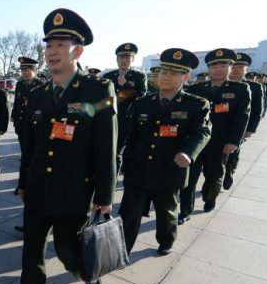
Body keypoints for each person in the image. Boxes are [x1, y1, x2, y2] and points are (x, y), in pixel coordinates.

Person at [7, 8, 117, 284]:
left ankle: (88, 273)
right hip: (39, 187)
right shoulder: (37, 94)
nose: (52, 51)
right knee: (32, 251)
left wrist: (105, 194)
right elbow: (29, 144)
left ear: (77, 51)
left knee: (69, 251)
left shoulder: (99, 91)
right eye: (48, 45)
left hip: (75, 190)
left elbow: (105, 147)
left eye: (60, 44)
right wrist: (23, 181)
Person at [119, 48, 211, 255]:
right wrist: (125, 163)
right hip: (139, 166)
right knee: (129, 212)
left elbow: (202, 132)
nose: (165, 77)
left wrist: (189, 153)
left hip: (169, 167)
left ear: (185, 77)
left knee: (166, 210)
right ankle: (123, 248)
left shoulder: (196, 105)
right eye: (162, 73)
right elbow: (131, 136)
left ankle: (166, 240)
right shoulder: (143, 103)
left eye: (172, 74)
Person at [180, 49, 250, 223]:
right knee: (188, 179)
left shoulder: (240, 89)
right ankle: (185, 211)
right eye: (213, 66)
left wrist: (234, 141)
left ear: (230, 67)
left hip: (221, 143)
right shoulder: (196, 89)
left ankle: (209, 199)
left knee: (214, 177)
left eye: (222, 65)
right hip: (196, 143)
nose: (217, 69)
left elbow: (242, 117)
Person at [102, 43, 147, 175]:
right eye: (121, 57)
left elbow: (141, 97)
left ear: (132, 60)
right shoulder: (109, 76)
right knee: (106, 150)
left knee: (117, 152)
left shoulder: (139, 76)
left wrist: (125, 85)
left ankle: (113, 177)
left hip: (127, 119)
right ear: (117, 60)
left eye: (127, 57)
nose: (124, 60)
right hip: (109, 117)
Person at [223, 53, 264, 190]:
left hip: (241, 126)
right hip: (222, 124)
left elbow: (258, 110)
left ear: (246, 69)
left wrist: (251, 129)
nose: (236, 69)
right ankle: (216, 174)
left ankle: (229, 171)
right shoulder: (222, 84)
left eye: (240, 67)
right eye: (233, 66)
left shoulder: (255, 87)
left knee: (233, 151)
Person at [11, 56, 45, 195]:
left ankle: (31, 183)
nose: (24, 72)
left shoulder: (42, 84)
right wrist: (13, 115)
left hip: (35, 126)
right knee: (25, 155)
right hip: (21, 125)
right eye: (22, 69)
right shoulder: (20, 84)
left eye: (27, 69)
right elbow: (17, 102)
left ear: (35, 69)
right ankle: (22, 184)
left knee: (32, 156)